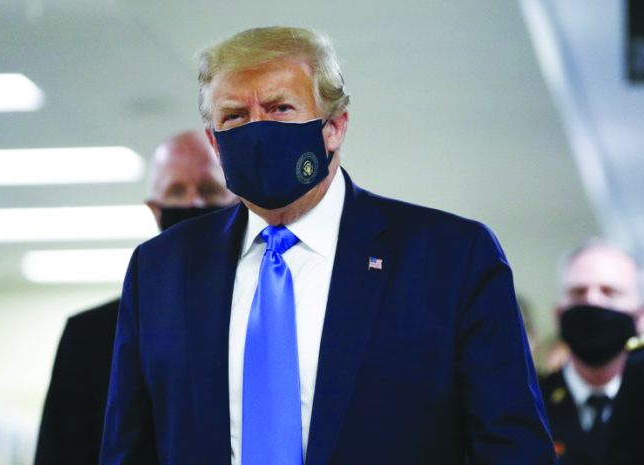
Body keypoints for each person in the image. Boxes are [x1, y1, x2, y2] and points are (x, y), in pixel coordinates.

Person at [99, 26, 555, 465]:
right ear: (214, 143)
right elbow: (128, 448)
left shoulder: (450, 260)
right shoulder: (161, 270)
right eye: (235, 116)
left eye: (280, 109)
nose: (257, 133)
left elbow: (512, 449)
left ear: (335, 126)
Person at [33, 130, 237, 465]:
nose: (193, 203)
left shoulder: (267, 315)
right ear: (155, 210)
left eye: (208, 189)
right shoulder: (91, 337)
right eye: (176, 191)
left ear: (236, 203)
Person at [539, 240, 644, 465]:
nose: (592, 300)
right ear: (558, 314)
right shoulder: (529, 405)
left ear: (640, 316)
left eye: (610, 292)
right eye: (579, 292)